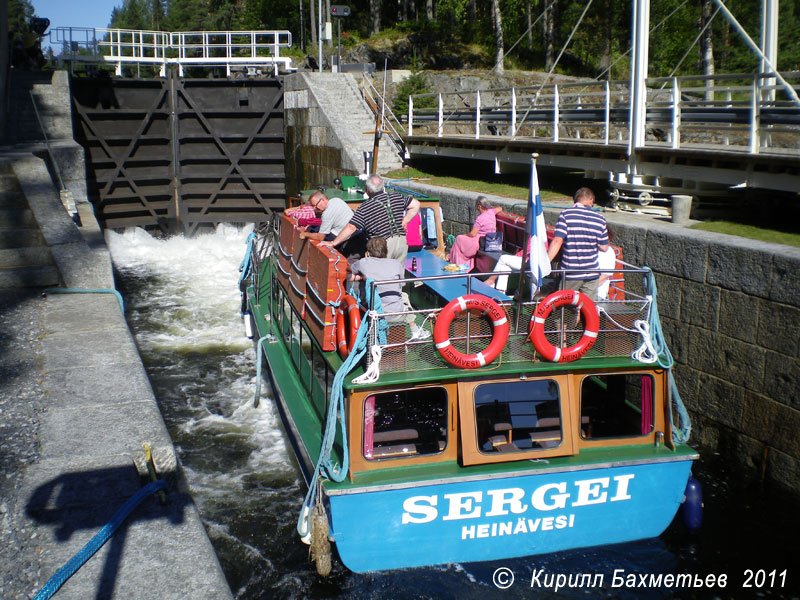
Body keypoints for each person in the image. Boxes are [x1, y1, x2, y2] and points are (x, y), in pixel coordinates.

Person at [320, 175, 420, 264]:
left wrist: (333, 243)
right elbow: (416, 205)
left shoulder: (365, 207)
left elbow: (351, 227)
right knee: (397, 275)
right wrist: (403, 222)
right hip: (401, 242)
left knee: (381, 276)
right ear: (382, 187)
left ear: (367, 190)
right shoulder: (397, 197)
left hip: (382, 246)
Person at [348, 237, 430, 340]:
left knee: (365, 294)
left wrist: (362, 276)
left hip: (375, 313)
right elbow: (402, 285)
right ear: (386, 250)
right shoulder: (396, 264)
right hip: (396, 313)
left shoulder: (363, 263)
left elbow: (350, 270)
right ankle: (414, 330)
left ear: (368, 252)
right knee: (404, 296)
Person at [547, 187, 609, 298]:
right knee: (588, 309)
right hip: (592, 274)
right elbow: (604, 247)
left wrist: (546, 263)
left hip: (571, 273)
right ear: (591, 200)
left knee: (563, 308)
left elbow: (557, 241)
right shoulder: (601, 219)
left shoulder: (566, 215)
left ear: (575, 200)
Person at [447, 196, 501, 270]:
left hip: (479, 241)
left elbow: (472, 234)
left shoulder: (480, 218)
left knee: (459, 238)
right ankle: (453, 259)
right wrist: (490, 207)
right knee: (460, 240)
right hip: (490, 239)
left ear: (479, 206)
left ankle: (456, 261)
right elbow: (500, 208)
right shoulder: (491, 212)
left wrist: (465, 235)